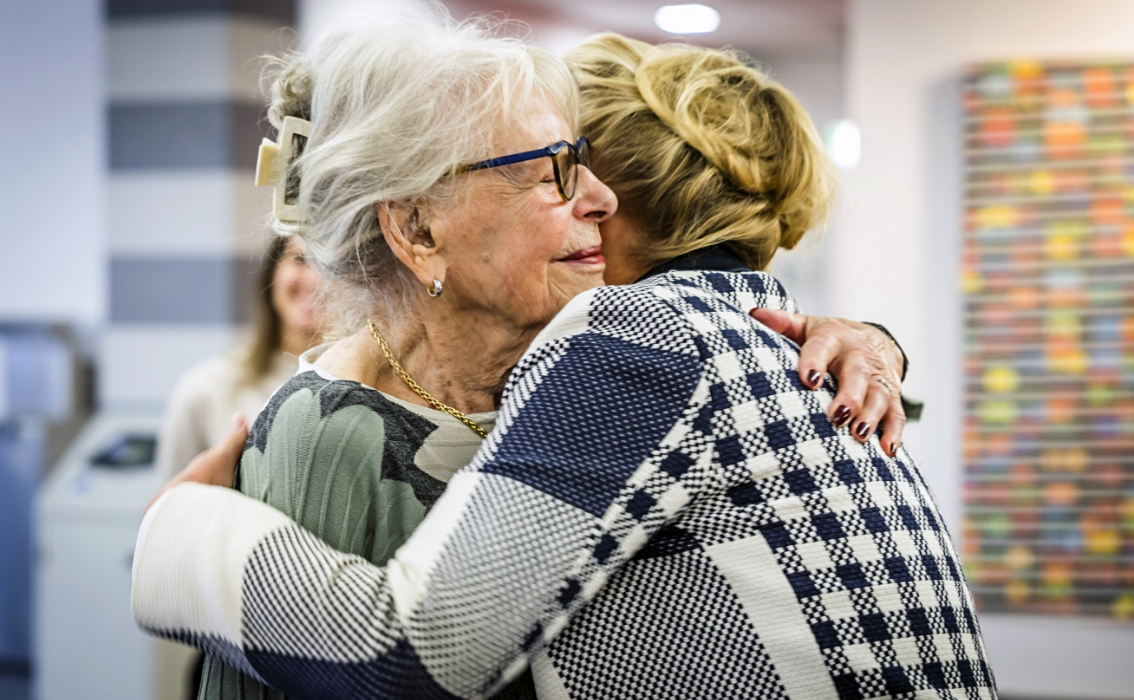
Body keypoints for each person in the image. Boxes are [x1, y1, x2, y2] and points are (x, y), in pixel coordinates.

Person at [133, 19, 992, 700]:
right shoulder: (758, 338)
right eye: (553, 170)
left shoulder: (636, 338)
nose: (595, 198)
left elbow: (412, 654)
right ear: (417, 227)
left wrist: (173, 531)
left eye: (580, 161)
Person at [154, 235, 322, 481]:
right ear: (271, 274)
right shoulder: (205, 389)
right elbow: (166, 510)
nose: (316, 278)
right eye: (300, 259)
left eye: (335, 265)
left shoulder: (377, 393)